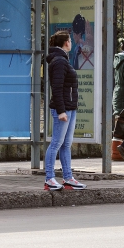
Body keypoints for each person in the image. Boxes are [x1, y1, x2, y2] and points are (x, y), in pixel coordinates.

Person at [44, 30, 87, 190]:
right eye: (69, 40)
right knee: (56, 143)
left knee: (66, 144)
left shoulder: (62, 59)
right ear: (65, 43)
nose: (71, 42)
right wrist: (61, 111)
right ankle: (49, 178)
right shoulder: (60, 61)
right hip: (63, 109)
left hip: (69, 107)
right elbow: (57, 87)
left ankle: (68, 177)